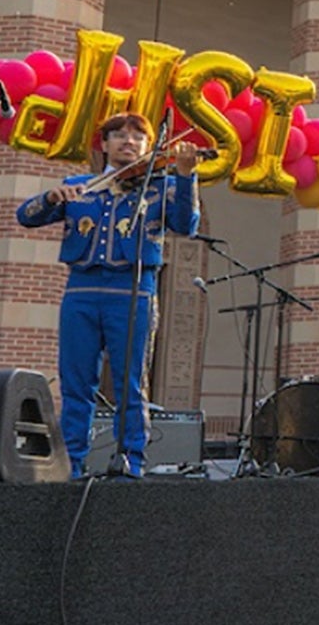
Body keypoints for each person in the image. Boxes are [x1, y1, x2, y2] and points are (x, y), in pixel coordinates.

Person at [16, 111, 199, 479]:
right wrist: (52, 196)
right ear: (104, 144)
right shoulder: (79, 186)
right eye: (119, 136)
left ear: (148, 147)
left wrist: (185, 175)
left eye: (137, 138)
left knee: (130, 381)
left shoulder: (159, 187)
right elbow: (27, 216)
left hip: (133, 292)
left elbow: (186, 225)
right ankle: (71, 462)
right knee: (75, 381)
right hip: (81, 291)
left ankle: (131, 458)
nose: (128, 142)